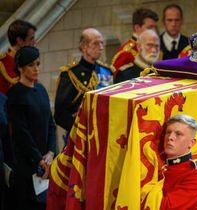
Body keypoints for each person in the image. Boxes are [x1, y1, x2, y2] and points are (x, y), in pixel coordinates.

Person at [7, 46, 57, 210]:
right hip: (27, 165)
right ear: (21, 68)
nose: (36, 68)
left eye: (38, 63)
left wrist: (50, 152)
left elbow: (51, 123)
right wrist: (40, 160)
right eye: (31, 65)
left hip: (46, 162)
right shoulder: (15, 94)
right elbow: (22, 134)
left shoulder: (41, 89)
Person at [54, 28, 113, 135]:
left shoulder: (107, 71)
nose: (100, 47)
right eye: (95, 43)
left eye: (101, 43)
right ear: (84, 46)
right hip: (80, 134)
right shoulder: (71, 74)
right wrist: (79, 131)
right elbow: (60, 113)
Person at [160, 114, 197, 210]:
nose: (170, 137)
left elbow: (166, 207)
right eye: (168, 132)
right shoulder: (158, 166)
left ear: (191, 143)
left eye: (178, 134)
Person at [111, 8, 158, 73]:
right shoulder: (126, 54)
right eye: (150, 27)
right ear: (137, 28)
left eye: (155, 27)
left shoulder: (156, 48)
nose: (154, 31)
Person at [0, 19, 36, 94]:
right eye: (31, 39)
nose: (34, 42)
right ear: (19, 40)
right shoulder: (3, 64)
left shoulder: (31, 61)